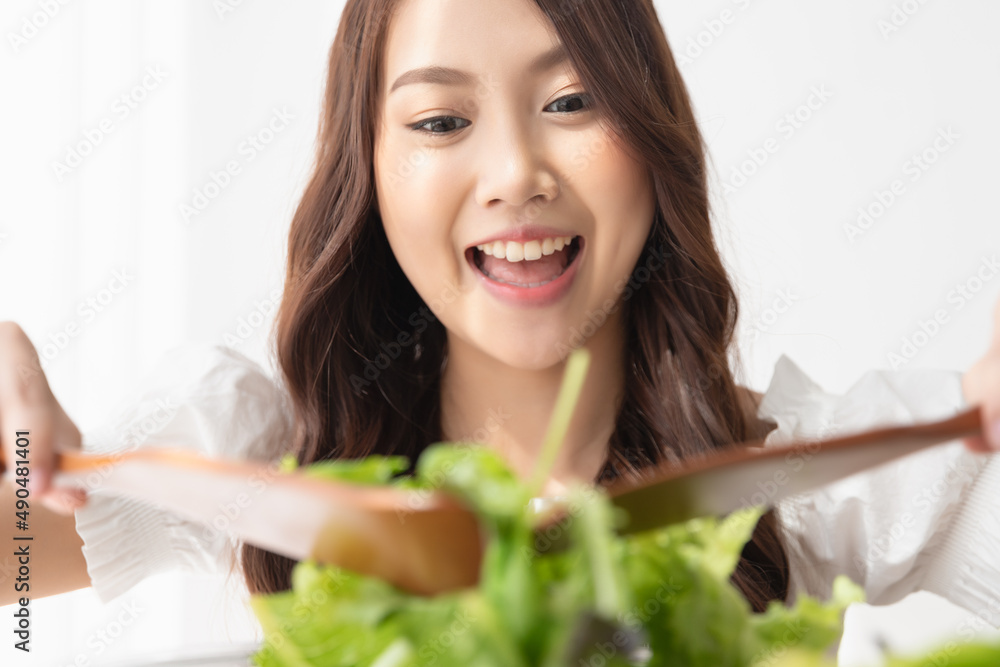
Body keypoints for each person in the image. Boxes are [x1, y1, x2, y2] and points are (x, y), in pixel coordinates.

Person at [1, 0, 999, 637]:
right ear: (372, 176)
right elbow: (13, 561)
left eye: (571, 102)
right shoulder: (267, 452)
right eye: (440, 122)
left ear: (652, 143)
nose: (517, 173)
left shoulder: (816, 474)